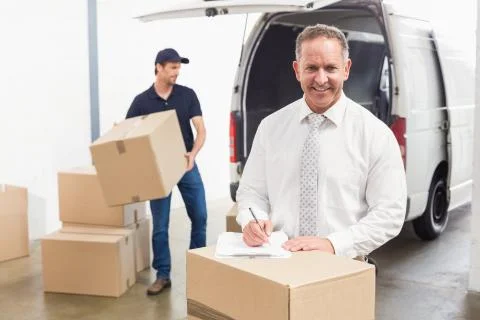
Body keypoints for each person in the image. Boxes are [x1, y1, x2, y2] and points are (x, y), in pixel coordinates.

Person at [236, 24, 407, 260]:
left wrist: (333, 244)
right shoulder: (270, 128)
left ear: (346, 69)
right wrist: (252, 219)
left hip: (343, 267)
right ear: (297, 70)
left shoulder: (375, 134)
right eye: (311, 68)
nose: (321, 79)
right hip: (278, 262)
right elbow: (251, 192)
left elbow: (390, 213)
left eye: (330, 68)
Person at [126, 48, 207, 295]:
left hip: (185, 163)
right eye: (172, 67)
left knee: (201, 216)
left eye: (178, 67)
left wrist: (192, 155)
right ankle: (163, 275)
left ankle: (199, 268)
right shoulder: (142, 101)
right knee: (160, 225)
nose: (177, 71)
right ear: (158, 67)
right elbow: (129, 136)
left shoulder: (187, 95)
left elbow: (201, 130)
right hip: (158, 170)